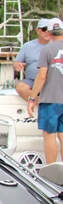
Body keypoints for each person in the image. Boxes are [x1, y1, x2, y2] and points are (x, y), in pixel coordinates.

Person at [26, 17, 63, 164]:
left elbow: (41, 76)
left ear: (49, 32)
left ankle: (51, 171)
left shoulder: (47, 50)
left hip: (50, 100)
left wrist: (32, 98)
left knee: (49, 135)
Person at [15, 19, 51, 101]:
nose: (47, 32)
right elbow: (16, 63)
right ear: (38, 31)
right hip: (32, 81)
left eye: (49, 29)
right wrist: (17, 65)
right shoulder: (27, 46)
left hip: (52, 81)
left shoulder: (58, 45)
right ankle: (41, 103)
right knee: (20, 87)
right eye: (44, 29)